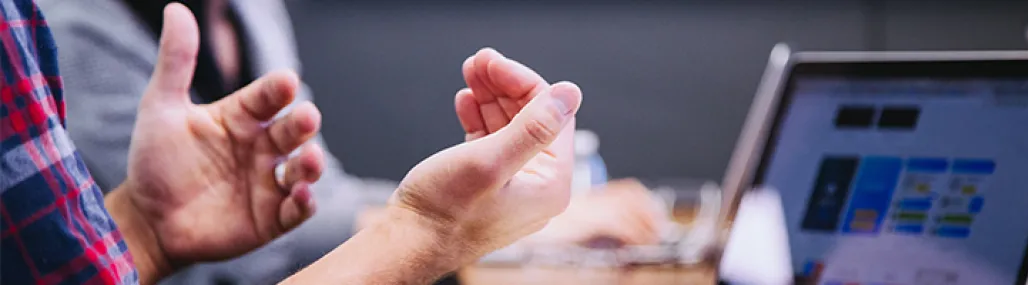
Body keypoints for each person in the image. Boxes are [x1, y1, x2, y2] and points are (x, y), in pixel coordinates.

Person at [43, 0, 664, 283]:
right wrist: (437, 229)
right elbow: (246, 256)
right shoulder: (68, 30)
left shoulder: (251, 11)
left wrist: (150, 231)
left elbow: (309, 197)